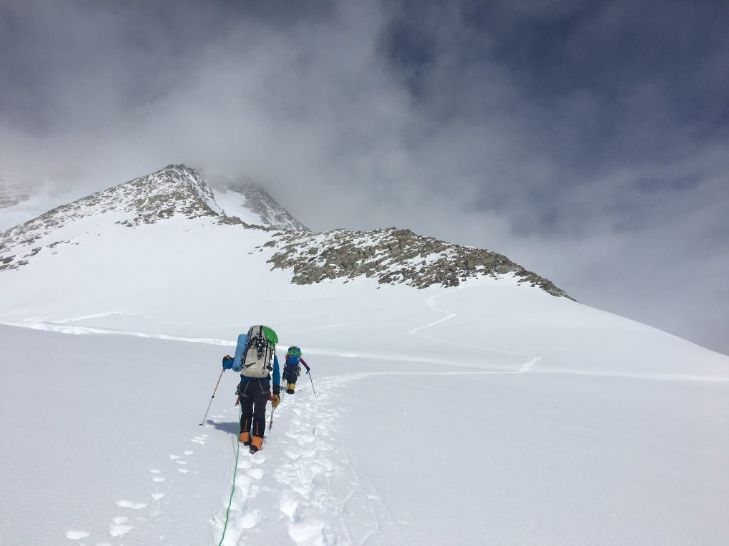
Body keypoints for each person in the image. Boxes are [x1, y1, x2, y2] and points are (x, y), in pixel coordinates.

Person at [222, 325, 281, 453]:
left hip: (245, 386)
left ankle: (244, 435)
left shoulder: (246, 347)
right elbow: (276, 372)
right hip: (262, 387)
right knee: (259, 414)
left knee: (246, 412)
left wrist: (226, 361)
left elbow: (232, 364)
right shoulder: (270, 352)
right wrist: (276, 392)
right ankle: (257, 440)